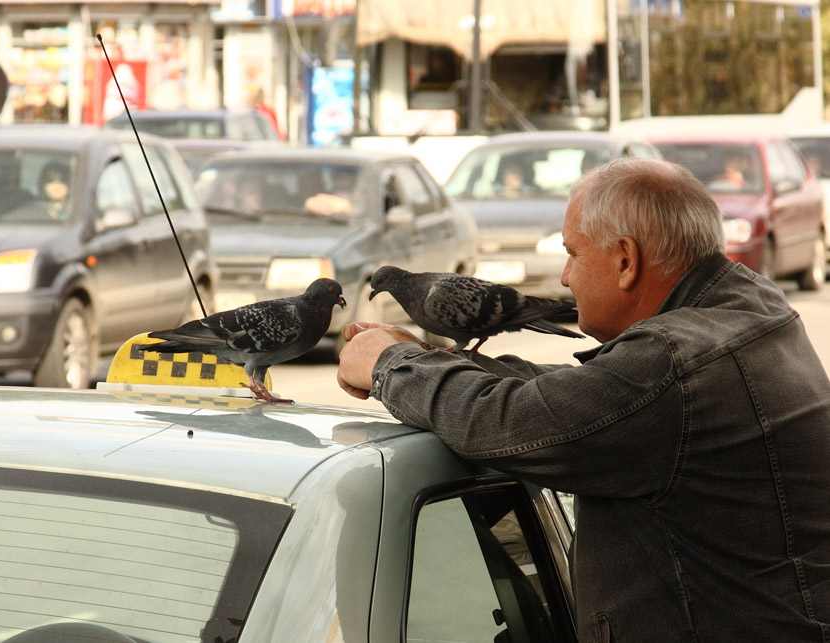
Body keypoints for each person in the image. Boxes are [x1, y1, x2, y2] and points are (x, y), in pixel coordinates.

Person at [337, 157, 830, 641]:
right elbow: (592, 398)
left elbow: (508, 422)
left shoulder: (673, 364)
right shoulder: (752, 307)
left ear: (624, 260)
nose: (566, 277)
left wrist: (392, 365)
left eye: (573, 253)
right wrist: (428, 357)